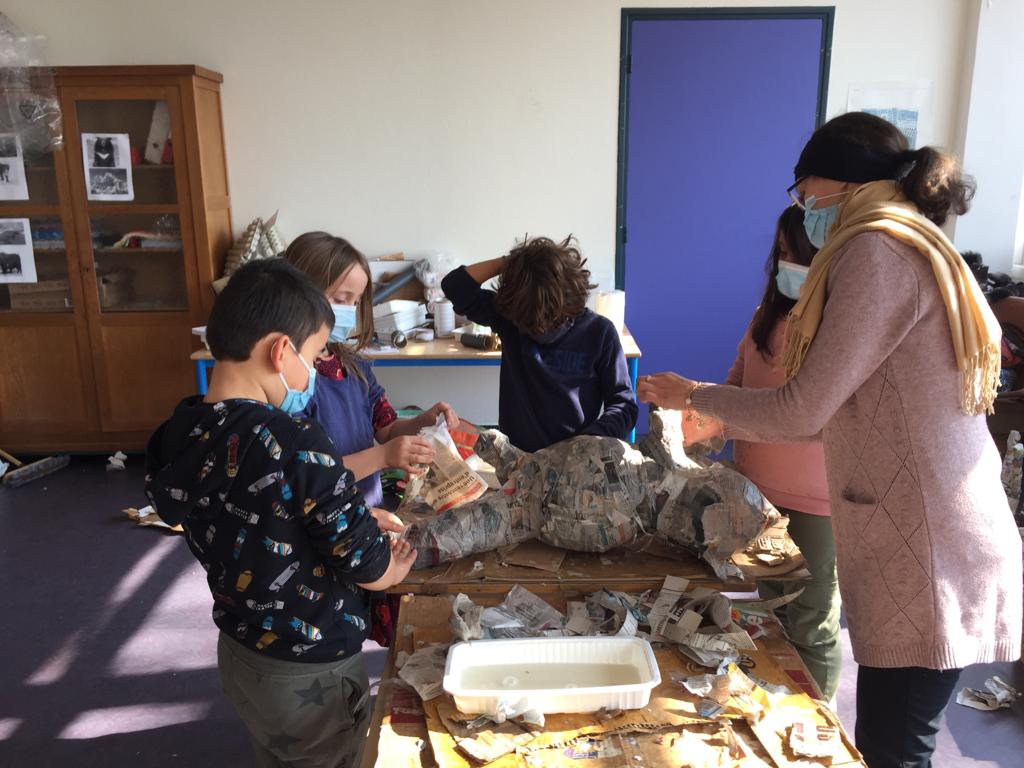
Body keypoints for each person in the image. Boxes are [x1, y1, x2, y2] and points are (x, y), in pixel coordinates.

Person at [638, 112, 1022, 768]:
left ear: (838, 183)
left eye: (804, 191)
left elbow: (803, 409)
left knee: (895, 747)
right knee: (892, 737)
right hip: (932, 531)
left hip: (929, 546)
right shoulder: (910, 239)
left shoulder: (876, 251)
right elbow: (830, 414)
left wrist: (693, 396)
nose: (803, 207)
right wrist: (718, 416)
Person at [145, 259, 417, 768]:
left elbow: (264, 513)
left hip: (243, 650)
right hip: (311, 666)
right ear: (281, 351)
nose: (313, 372)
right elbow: (365, 564)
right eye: (313, 356)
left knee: (277, 755)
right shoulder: (295, 441)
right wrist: (390, 567)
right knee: (331, 756)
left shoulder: (182, 431)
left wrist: (350, 515)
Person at [685, 206, 840, 701]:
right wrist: (699, 416)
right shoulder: (765, 317)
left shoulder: (839, 328)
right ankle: (781, 708)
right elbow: (738, 383)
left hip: (817, 501)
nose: (786, 264)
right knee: (772, 610)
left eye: (798, 254)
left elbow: (802, 417)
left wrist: (709, 407)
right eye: (781, 253)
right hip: (760, 493)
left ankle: (819, 720)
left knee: (810, 619)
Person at [286, 231, 459, 508]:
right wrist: (383, 456)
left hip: (367, 510)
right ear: (300, 295)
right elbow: (310, 476)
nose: (349, 311)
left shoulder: (355, 368)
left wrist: (423, 422)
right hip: (326, 517)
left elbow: (387, 430)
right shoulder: (291, 384)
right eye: (341, 299)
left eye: (355, 302)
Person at [442, 235, 638, 452]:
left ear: (569, 304)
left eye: (550, 321)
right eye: (529, 324)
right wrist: (512, 262)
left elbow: (624, 405)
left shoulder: (599, 333)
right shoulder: (510, 318)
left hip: (575, 458)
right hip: (518, 458)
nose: (540, 330)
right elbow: (455, 285)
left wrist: (589, 440)